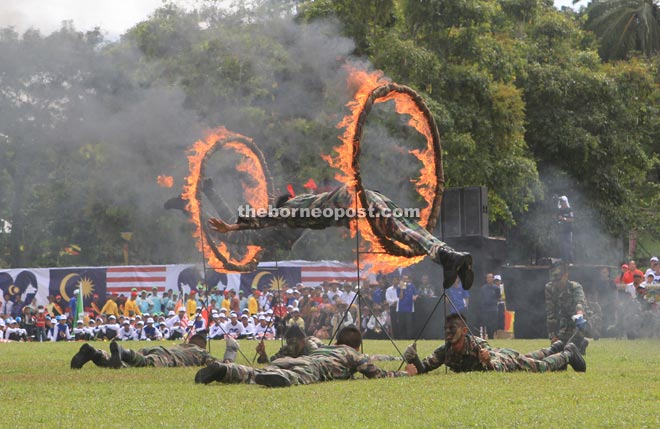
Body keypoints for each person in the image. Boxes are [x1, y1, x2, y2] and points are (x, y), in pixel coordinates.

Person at [209, 184, 473, 290]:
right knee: (408, 227)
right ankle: (451, 257)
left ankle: (446, 257)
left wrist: (232, 228)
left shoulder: (291, 209)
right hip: (365, 198)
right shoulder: (300, 213)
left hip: (356, 200)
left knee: (399, 230)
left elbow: (264, 218)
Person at [195, 325, 416, 387]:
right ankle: (281, 379)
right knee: (295, 377)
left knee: (256, 373)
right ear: (357, 347)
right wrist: (404, 374)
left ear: (337, 341)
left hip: (298, 360)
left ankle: (227, 370)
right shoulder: (352, 353)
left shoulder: (322, 348)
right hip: (314, 368)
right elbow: (375, 374)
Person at [404, 313, 585, 373]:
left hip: (503, 360)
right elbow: (425, 367)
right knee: (526, 357)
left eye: (453, 329)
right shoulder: (445, 350)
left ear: (465, 331)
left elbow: (494, 362)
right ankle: (554, 348)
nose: (448, 333)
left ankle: (568, 352)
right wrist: (413, 359)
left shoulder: (477, 344)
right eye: (446, 329)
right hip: (504, 355)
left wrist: (487, 360)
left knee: (540, 367)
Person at [70, 334, 215, 369]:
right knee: (146, 363)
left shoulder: (181, 345)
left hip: (157, 348)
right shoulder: (201, 353)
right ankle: (123, 352)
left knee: (124, 362)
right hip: (167, 356)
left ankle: (95, 353)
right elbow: (216, 364)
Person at [545, 261, 588, 354]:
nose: (556, 283)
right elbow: (550, 312)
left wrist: (579, 315)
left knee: (581, 322)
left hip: (579, 317)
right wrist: (553, 336)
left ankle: (580, 343)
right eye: (554, 280)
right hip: (564, 319)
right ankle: (580, 343)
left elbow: (579, 303)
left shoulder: (575, 287)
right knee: (561, 345)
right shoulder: (549, 288)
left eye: (558, 280)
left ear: (566, 275)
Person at [476, 273, 501, 339]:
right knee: (485, 324)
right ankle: (484, 337)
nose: (489, 279)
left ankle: (491, 337)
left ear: (493, 279)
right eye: (488, 277)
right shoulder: (483, 288)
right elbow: (480, 298)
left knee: (493, 324)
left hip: (493, 309)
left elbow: (498, 297)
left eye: (491, 277)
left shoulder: (496, 288)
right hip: (485, 309)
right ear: (486, 279)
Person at [556, 195, 574, 263]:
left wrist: (564, 218)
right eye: (560, 201)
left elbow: (572, 219)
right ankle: (564, 261)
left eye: (562, 201)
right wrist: (558, 219)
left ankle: (571, 262)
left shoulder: (570, 209)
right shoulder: (560, 210)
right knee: (562, 247)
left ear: (565, 202)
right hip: (561, 231)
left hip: (568, 231)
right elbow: (557, 219)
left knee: (569, 247)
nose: (561, 203)